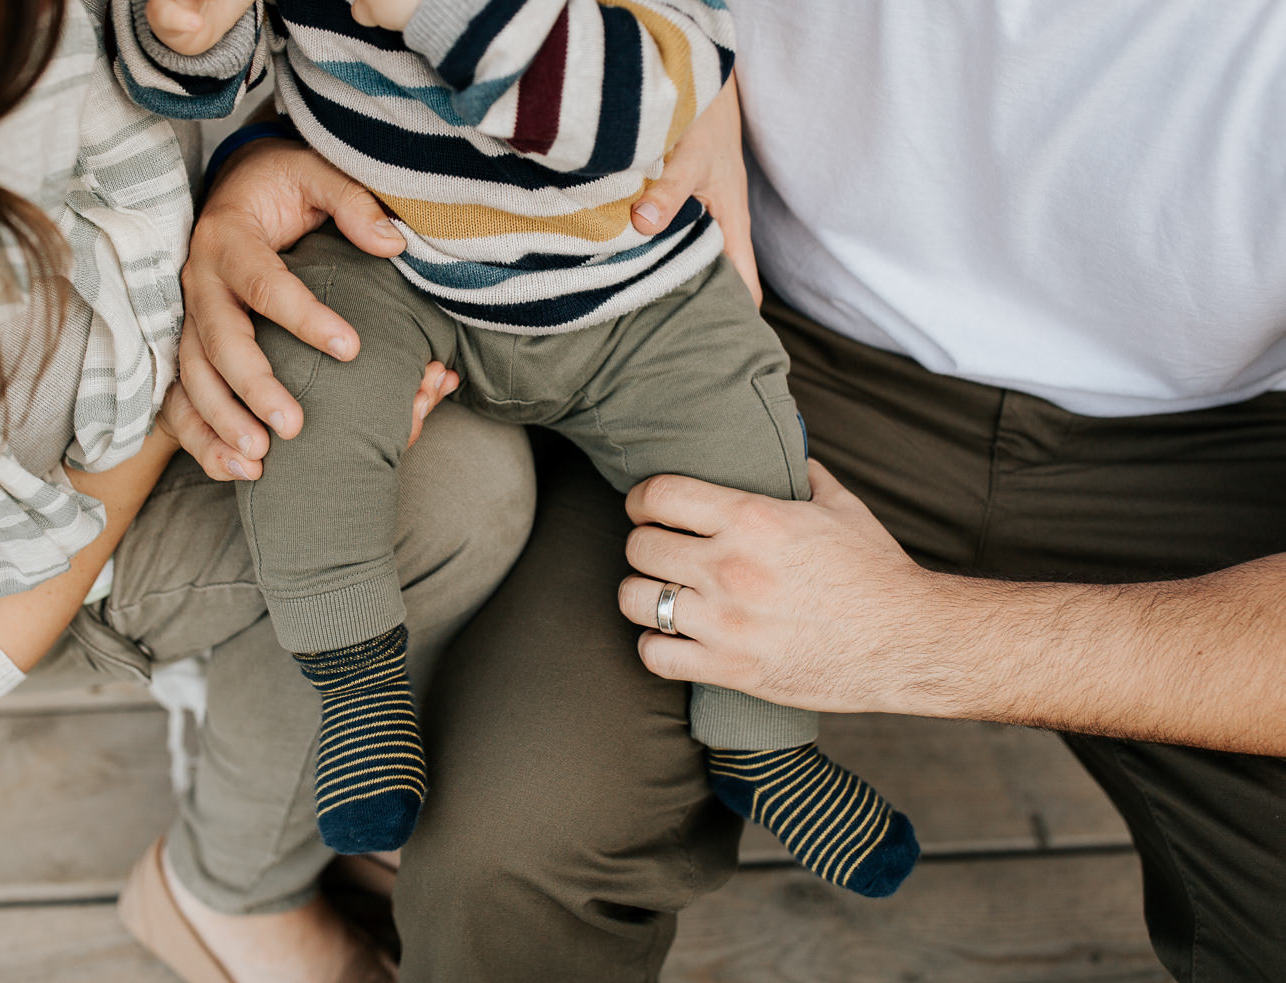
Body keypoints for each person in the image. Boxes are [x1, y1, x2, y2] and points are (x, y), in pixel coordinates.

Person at [0, 2, 535, 983]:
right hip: (34, 547)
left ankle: (300, 750)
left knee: (447, 402)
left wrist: (241, 161)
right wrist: (167, 423)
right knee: (445, 498)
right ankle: (229, 887)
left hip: (222, 253)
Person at [118, 0, 917, 896]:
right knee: (305, 397)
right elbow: (211, 80)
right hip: (389, 255)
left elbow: (623, 120)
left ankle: (763, 742)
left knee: (746, 460)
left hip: (632, 291)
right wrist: (189, 37)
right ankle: (357, 687)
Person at [601, 2, 1286, 983]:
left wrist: (909, 636)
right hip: (774, 326)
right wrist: (658, 40)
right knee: (528, 815)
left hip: (1219, 440)